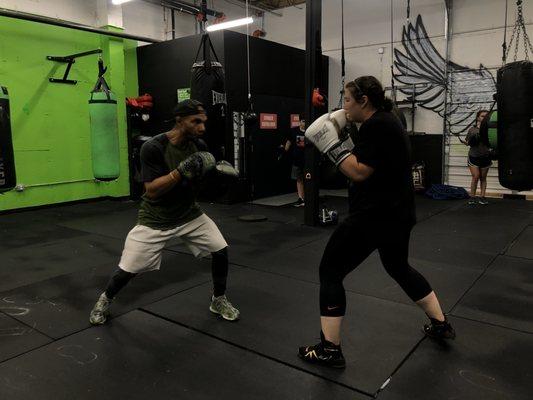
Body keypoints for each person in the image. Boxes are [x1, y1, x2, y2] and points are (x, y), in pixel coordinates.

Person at [299, 76, 455, 368]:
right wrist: (344, 140)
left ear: (363, 101)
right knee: (398, 267)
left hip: (373, 216)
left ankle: (329, 349)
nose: (343, 107)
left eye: (347, 100)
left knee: (330, 271)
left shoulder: (377, 125)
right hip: (398, 214)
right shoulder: (388, 119)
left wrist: (329, 143)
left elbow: (358, 172)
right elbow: (368, 157)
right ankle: (440, 323)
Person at [89, 99, 240, 325]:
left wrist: (216, 174)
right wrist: (180, 171)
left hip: (189, 213)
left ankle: (218, 299)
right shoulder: (154, 147)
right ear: (179, 121)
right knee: (128, 269)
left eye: (203, 122)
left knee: (220, 250)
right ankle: (105, 299)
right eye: (195, 121)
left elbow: (200, 183)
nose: (202, 128)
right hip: (156, 218)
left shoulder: (199, 146)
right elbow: (151, 191)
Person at [465, 110, 491, 205]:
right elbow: (467, 142)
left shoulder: (490, 129)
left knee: (483, 178)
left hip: (486, 156)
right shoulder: (472, 129)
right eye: (482, 116)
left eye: (486, 116)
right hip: (474, 156)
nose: (484, 118)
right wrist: (470, 141)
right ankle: (472, 197)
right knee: (476, 176)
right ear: (478, 118)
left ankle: (482, 197)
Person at [280, 115, 306, 207]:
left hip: (308, 160)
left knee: (308, 179)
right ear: (300, 122)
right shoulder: (294, 131)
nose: (304, 123)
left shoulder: (310, 132)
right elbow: (289, 142)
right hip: (297, 159)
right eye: (303, 121)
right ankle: (301, 198)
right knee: (299, 179)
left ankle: (308, 198)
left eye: (306, 121)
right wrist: (284, 150)